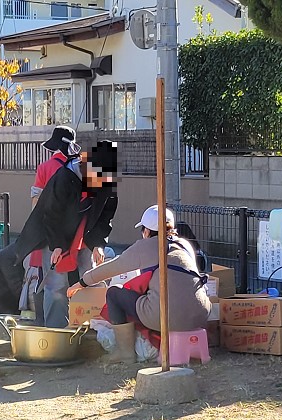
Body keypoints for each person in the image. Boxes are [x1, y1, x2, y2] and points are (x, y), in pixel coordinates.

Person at [66, 205, 212, 361]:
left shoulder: (144, 246)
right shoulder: (184, 245)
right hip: (201, 314)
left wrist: (81, 283)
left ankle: (125, 352)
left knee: (114, 293)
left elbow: (111, 268)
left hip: (165, 317)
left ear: (147, 231)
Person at [14, 141, 119, 328]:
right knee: (56, 285)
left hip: (84, 233)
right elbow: (51, 215)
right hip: (52, 232)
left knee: (89, 278)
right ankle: (56, 332)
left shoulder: (106, 181)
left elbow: (105, 216)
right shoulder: (64, 177)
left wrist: (98, 244)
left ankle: (90, 328)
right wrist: (56, 245)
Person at [25, 126, 83, 322]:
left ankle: (53, 330)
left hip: (52, 235)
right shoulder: (82, 167)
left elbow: (36, 204)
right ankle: (79, 326)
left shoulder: (45, 168)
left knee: (53, 283)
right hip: (80, 235)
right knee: (81, 281)